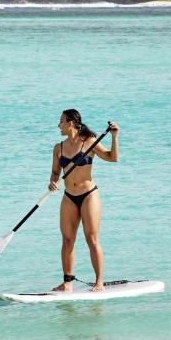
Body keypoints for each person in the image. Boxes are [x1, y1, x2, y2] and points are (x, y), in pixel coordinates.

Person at [48, 109, 119, 292]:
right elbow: (55, 172)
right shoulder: (59, 148)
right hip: (69, 197)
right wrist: (52, 182)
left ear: (71, 123)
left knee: (91, 239)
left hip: (89, 195)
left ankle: (99, 282)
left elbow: (113, 158)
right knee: (67, 240)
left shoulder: (90, 142)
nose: (59, 125)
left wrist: (114, 136)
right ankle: (67, 283)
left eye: (61, 121)